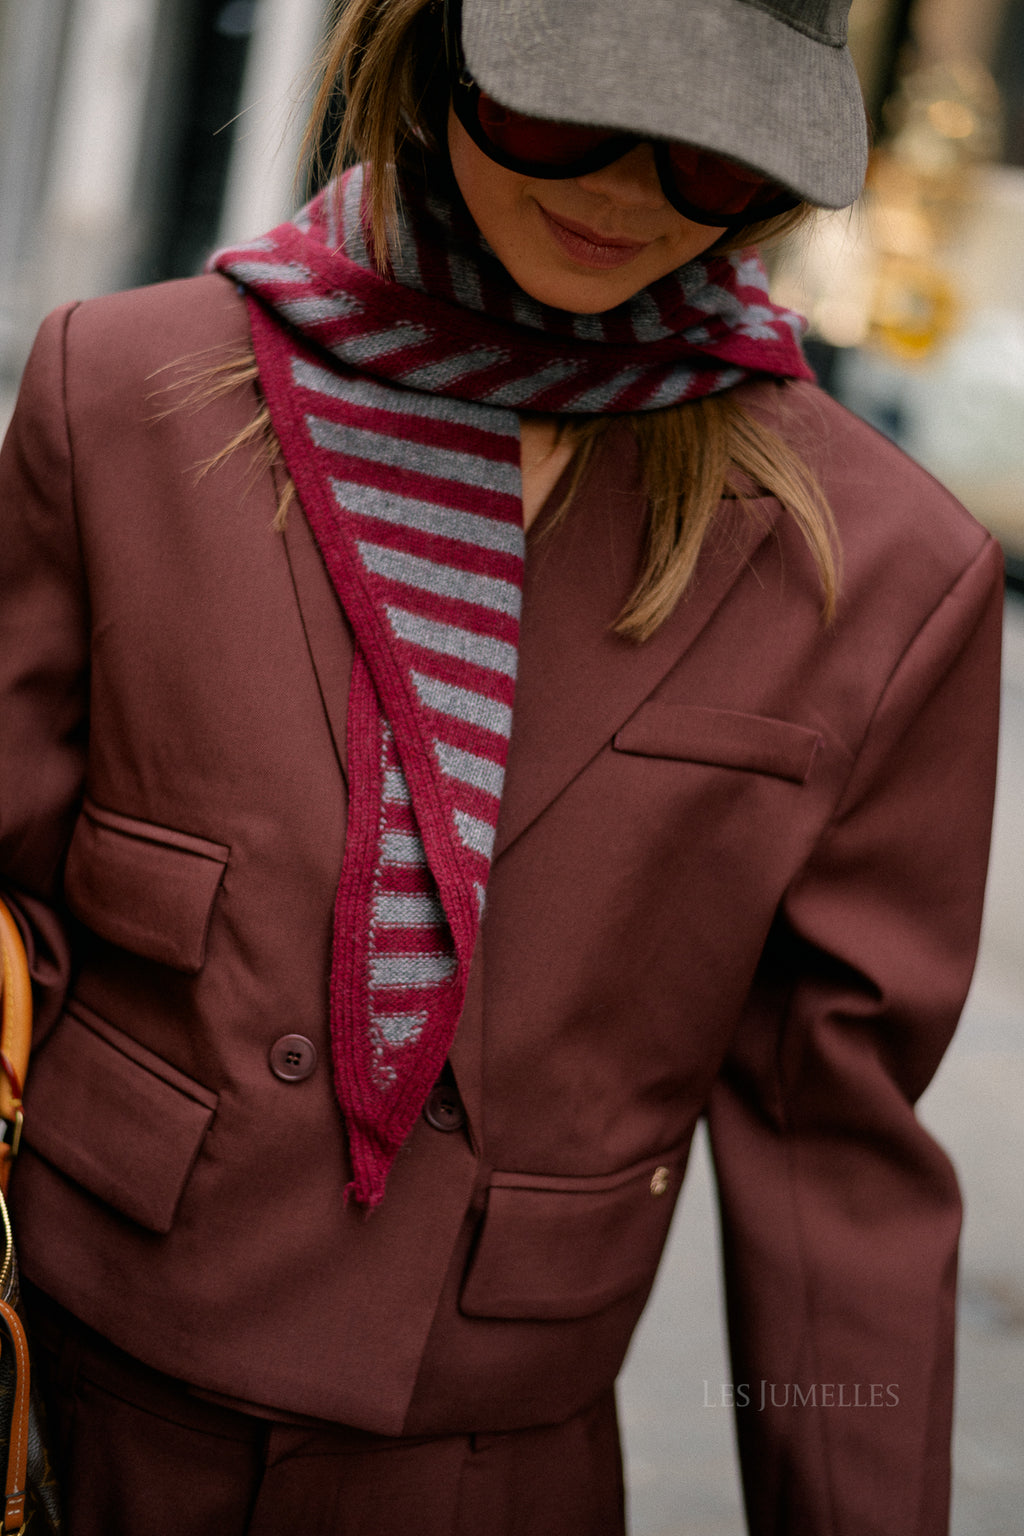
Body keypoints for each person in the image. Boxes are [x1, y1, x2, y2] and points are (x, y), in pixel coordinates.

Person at [0, 0, 1002, 1531]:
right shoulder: (120, 395)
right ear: (432, 46)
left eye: (709, 161)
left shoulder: (878, 570)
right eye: (558, 111)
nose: (619, 193)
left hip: (490, 1476)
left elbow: (831, 1176)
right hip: (72, 1420)